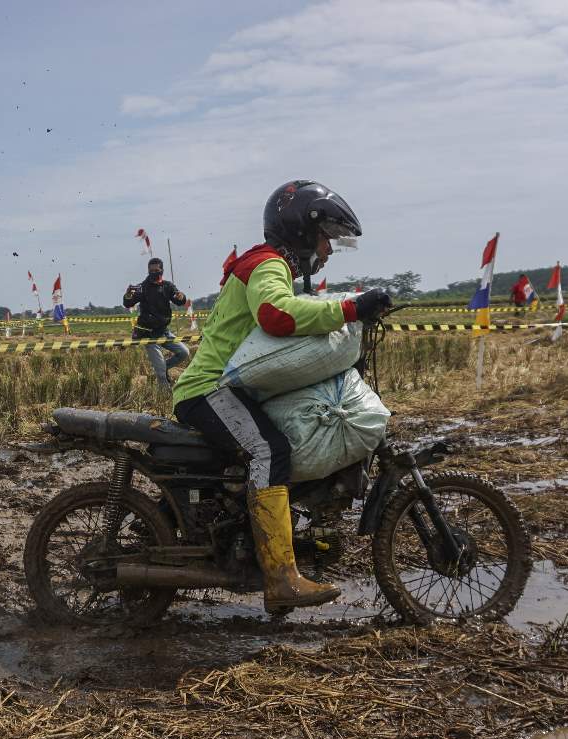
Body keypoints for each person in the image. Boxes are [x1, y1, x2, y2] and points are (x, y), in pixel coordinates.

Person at [171, 180, 390, 613]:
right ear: (304, 230)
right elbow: (277, 316)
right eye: (327, 238)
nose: (328, 250)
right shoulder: (268, 265)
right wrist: (351, 309)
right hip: (208, 389)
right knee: (269, 450)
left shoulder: (275, 266)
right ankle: (281, 578)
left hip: (223, 389)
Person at [123, 257, 191, 391]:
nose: (153, 272)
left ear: (161, 270)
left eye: (156, 270)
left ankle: (161, 368)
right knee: (160, 371)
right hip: (147, 333)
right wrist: (128, 295)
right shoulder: (142, 287)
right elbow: (128, 303)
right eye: (151, 270)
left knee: (184, 352)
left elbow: (180, 300)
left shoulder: (168, 286)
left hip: (163, 330)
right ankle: (165, 394)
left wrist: (181, 296)